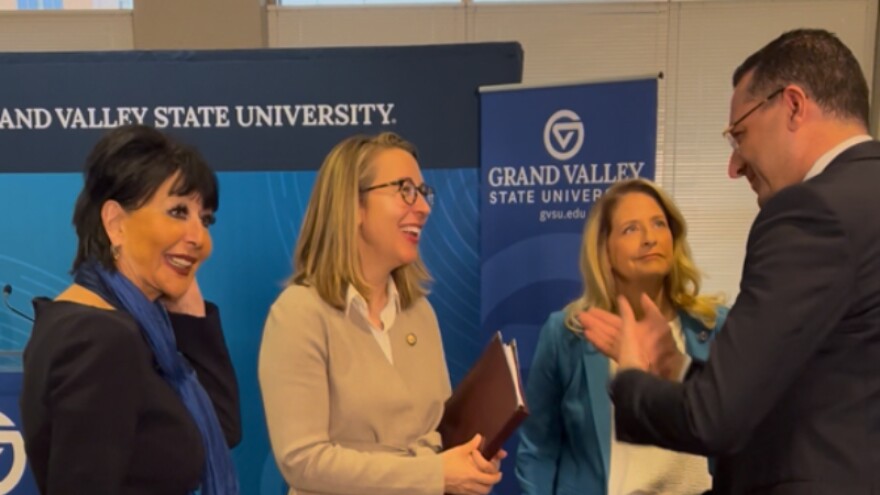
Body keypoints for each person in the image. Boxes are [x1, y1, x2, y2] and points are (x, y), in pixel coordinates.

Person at [581, 28, 880, 494]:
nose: (734, 165)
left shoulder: (811, 213)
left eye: (739, 134)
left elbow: (713, 420)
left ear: (794, 105)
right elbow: (814, 389)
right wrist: (676, 367)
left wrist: (634, 375)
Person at [258, 132, 504, 495]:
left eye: (423, 192)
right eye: (405, 190)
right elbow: (303, 461)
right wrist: (434, 474)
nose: (422, 207)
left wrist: (467, 460)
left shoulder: (420, 313)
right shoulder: (299, 314)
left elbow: (436, 435)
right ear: (352, 206)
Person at [19, 124, 241, 495]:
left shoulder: (121, 325)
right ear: (116, 224)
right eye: (177, 211)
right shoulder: (102, 339)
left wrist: (187, 304)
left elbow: (219, 430)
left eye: (205, 220)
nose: (199, 238)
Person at [516, 179, 726, 495]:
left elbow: (740, 432)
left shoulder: (716, 325)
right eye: (631, 229)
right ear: (605, 250)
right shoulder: (567, 333)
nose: (650, 238)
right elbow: (537, 450)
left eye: (659, 224)